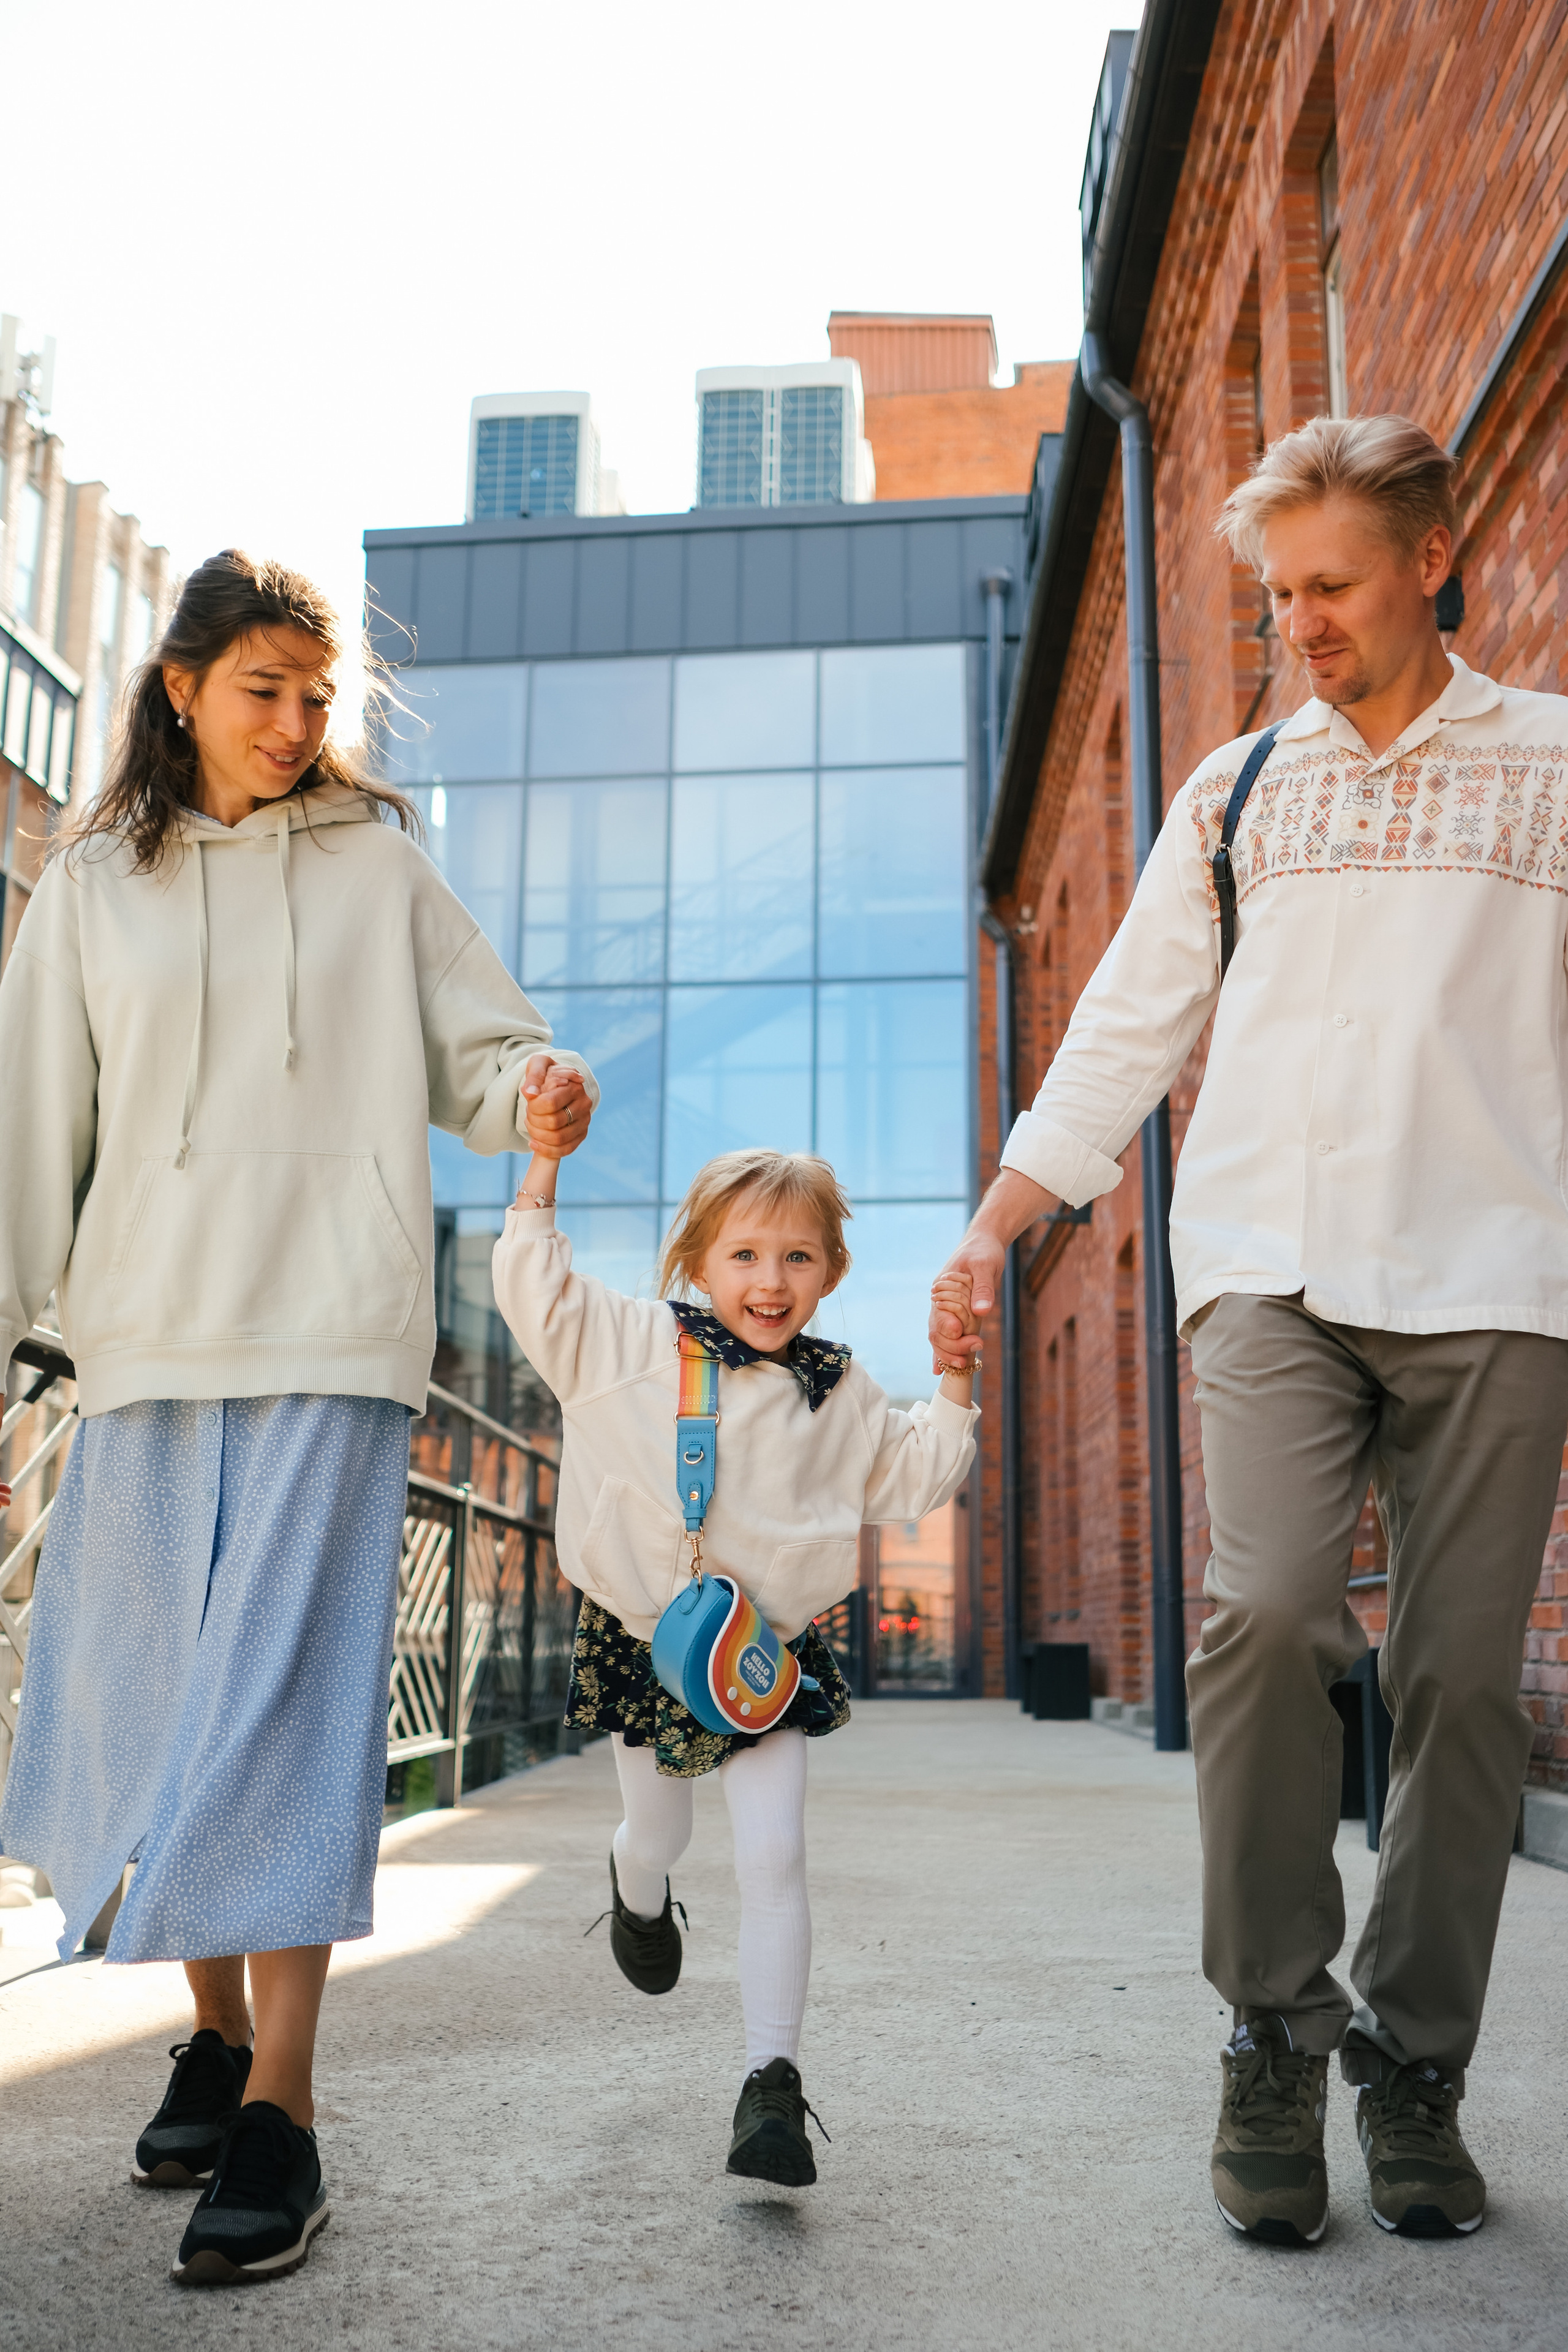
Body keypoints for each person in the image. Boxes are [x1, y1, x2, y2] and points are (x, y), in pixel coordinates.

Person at [931, 413, 1568, 2247]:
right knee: (1272, 1609)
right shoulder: (1237, 792)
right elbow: (1129, 1029)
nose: (1302, 623)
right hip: (1273, 1268)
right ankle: (1277, 2037)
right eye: (1279, 593)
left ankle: (1420, 2072)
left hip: (1496, 1277)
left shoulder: (1542, 770)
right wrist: (997, 1229)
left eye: (1335, 586)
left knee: (1460, 1685)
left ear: (1433, 562)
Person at [0, 549, 596, 2286]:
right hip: (143, 1346)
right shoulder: (91, 885)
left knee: (281, 1712)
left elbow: (488, 1053)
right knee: (152, 1711)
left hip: (334, 1336)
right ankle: (206, 2033)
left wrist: (532, 1089)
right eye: (262, 691)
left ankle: (286, 2110)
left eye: (319, 700)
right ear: (181, 687)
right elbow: (34, 1136)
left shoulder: (377, 872)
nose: (294, 726)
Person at [491, 1136, 978, 2184]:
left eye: (799, 1258)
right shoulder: (624, 1340)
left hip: (764, 1655)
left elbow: (919, 1472)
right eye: (746, 1255)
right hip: (646, 1640)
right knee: (658, 1828)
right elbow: (532, 1287)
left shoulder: (836, 1390)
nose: (771, 1280)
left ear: (832, 1274)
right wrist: (542, 1161)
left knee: (775, 1859)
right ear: (697, 1264)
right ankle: (636, 1887)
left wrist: (957, 1371)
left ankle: (772, 2087)